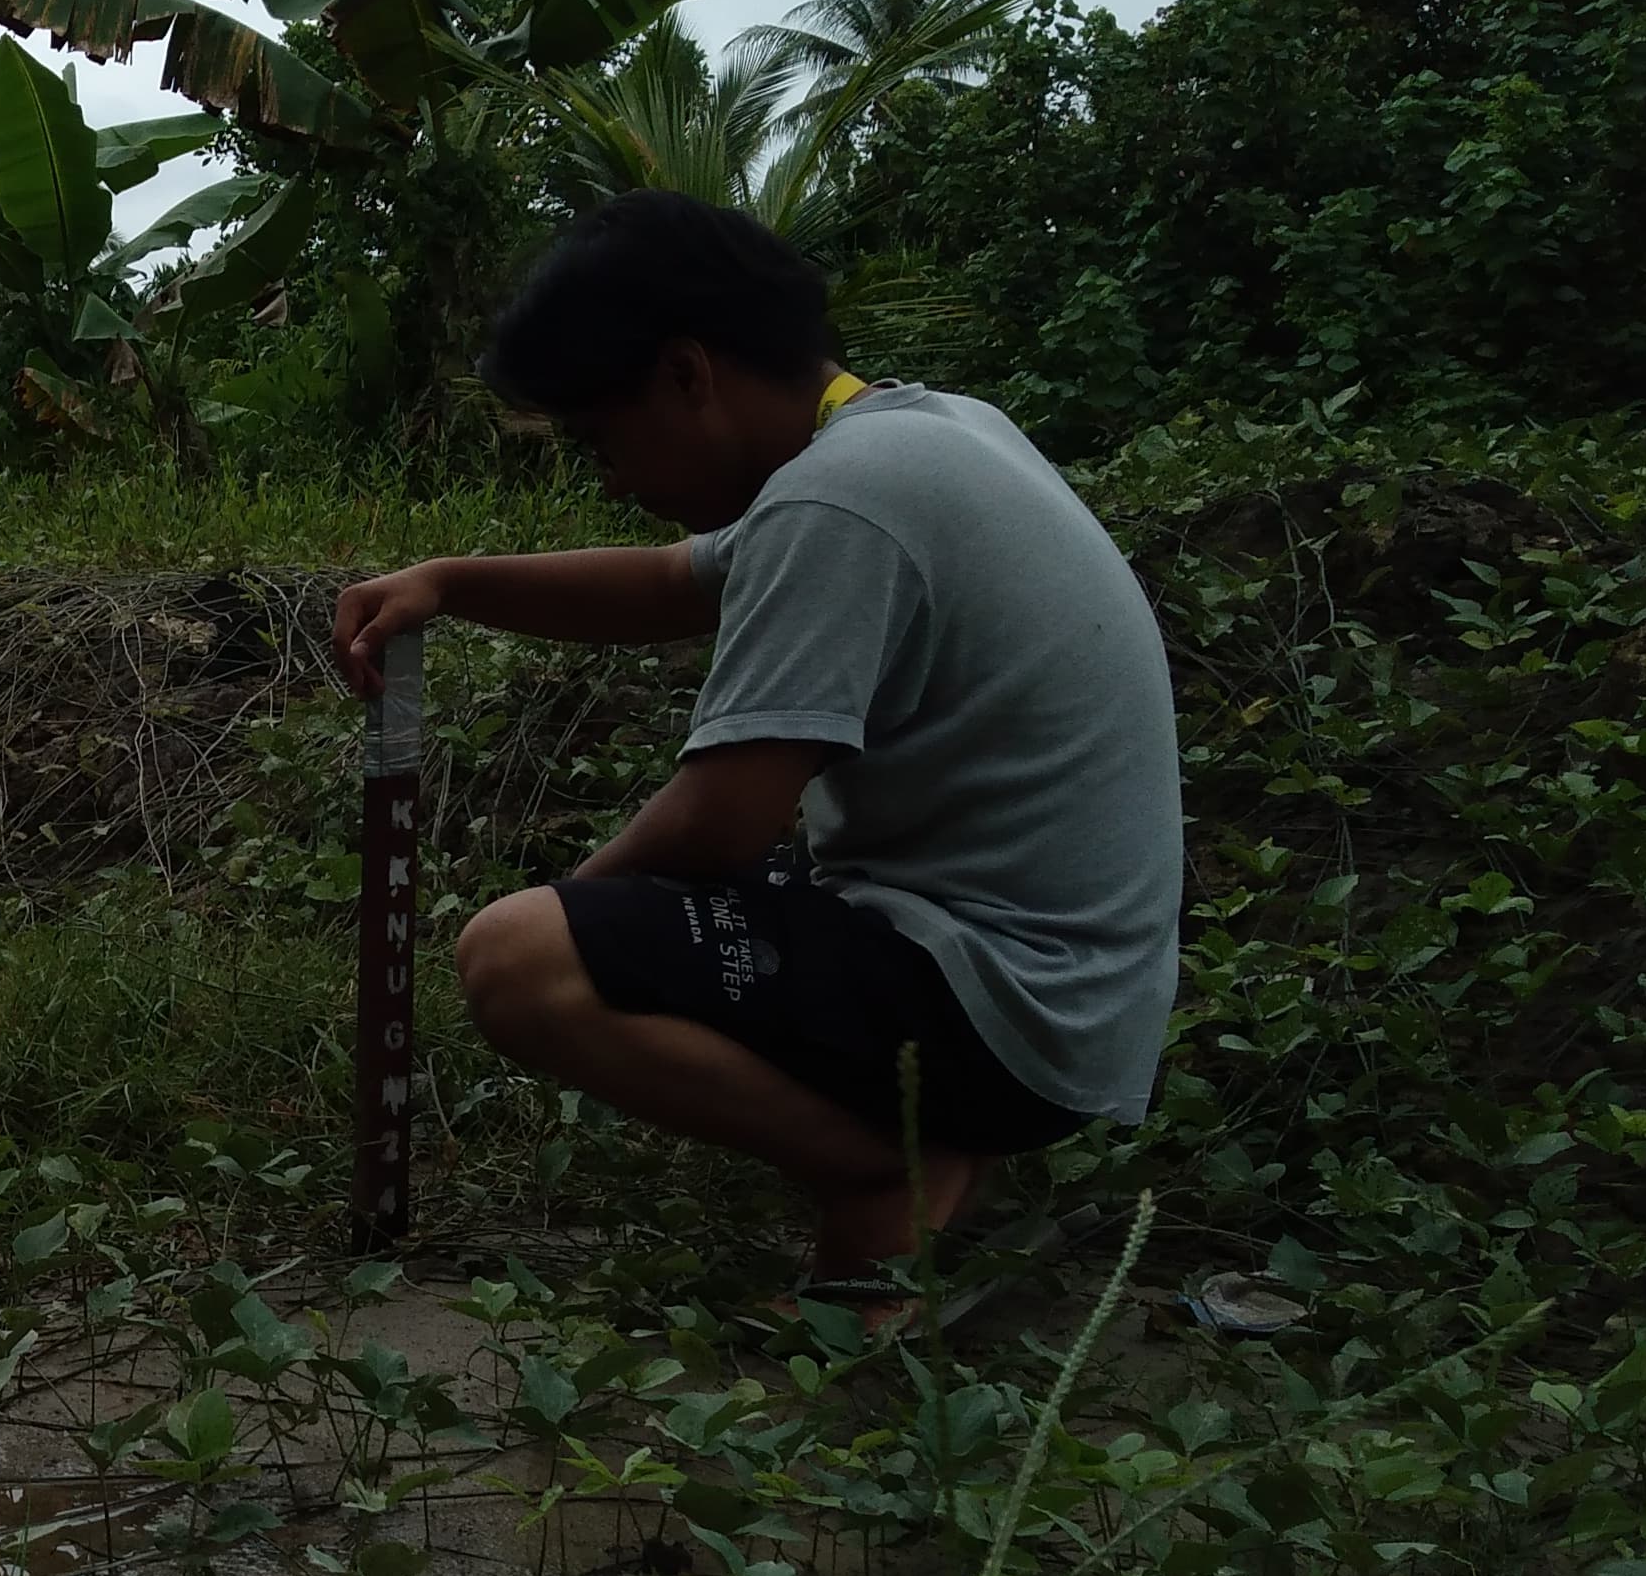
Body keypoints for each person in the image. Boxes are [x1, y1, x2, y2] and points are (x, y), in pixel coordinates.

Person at [331, 191, 1181, 1306]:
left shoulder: (839, 499)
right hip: (1065, 991)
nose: (614, 484)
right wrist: (452, 583)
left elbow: (725, 823)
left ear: (687, 373)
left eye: (601, 440)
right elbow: (678, 581)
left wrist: (582, 928)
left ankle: (885, 1169)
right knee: (596, 933)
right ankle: (926, 1143)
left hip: (1003, 1005)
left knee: (517, 956)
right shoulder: (927, 433)